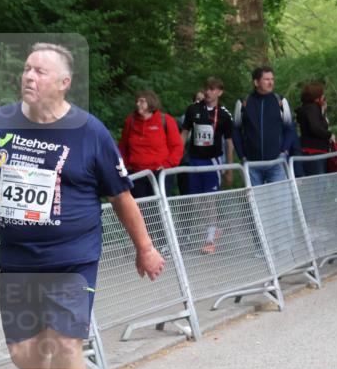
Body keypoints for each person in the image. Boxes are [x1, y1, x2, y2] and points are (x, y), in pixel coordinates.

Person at [0, 43, 164, 369]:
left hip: (74, 258)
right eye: (27, 68)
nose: (29, 76)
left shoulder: (89, 132)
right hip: (18, 257)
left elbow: (121, 196)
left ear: (63, 83)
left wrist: (145, 248)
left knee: (65, 343)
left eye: (40, 71)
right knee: (22, 352)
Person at [181, 77, 235, 253]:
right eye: (207, 88)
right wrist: (176, 156)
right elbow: (184, 133)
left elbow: (229, 142)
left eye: (212, 89)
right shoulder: (193, 109)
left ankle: (210, 239)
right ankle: (213, 228)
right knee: (196, 200)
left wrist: (229, 168)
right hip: (194, 160)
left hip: (213, 161)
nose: (208, 92)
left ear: (220, 92)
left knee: (210, 200)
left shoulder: (225, 115)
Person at [232, 66, 295, 185]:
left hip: (276, 162)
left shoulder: (280, 101)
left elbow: (289, 128)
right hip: (252, 163)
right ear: (256, 82)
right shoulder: (243, 102)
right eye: (266, 79)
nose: (270, 82)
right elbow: (236, 130)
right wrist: (242, 156)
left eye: (272, 79)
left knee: (277, 196)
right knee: (256, 197)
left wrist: (284, 151)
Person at [118, 90, 183, 199]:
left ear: (151, 102)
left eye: (142, 101)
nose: (138, 104)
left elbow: (177, 146)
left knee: (159, 206)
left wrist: (167, 164)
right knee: (139, 207)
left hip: (160, 173)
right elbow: (123, 146)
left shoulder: (165, 120)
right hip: (136, 173)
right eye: (137, 101)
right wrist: (125, 165)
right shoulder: (131, 121)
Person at [296, 81, 335, 177]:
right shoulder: (312, 109)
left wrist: (322, 112)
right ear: (317, 97)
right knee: (318, 180)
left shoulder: (308, 109)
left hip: (310, 149)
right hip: (315, 151)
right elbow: (316, 127)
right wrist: (329, 134)